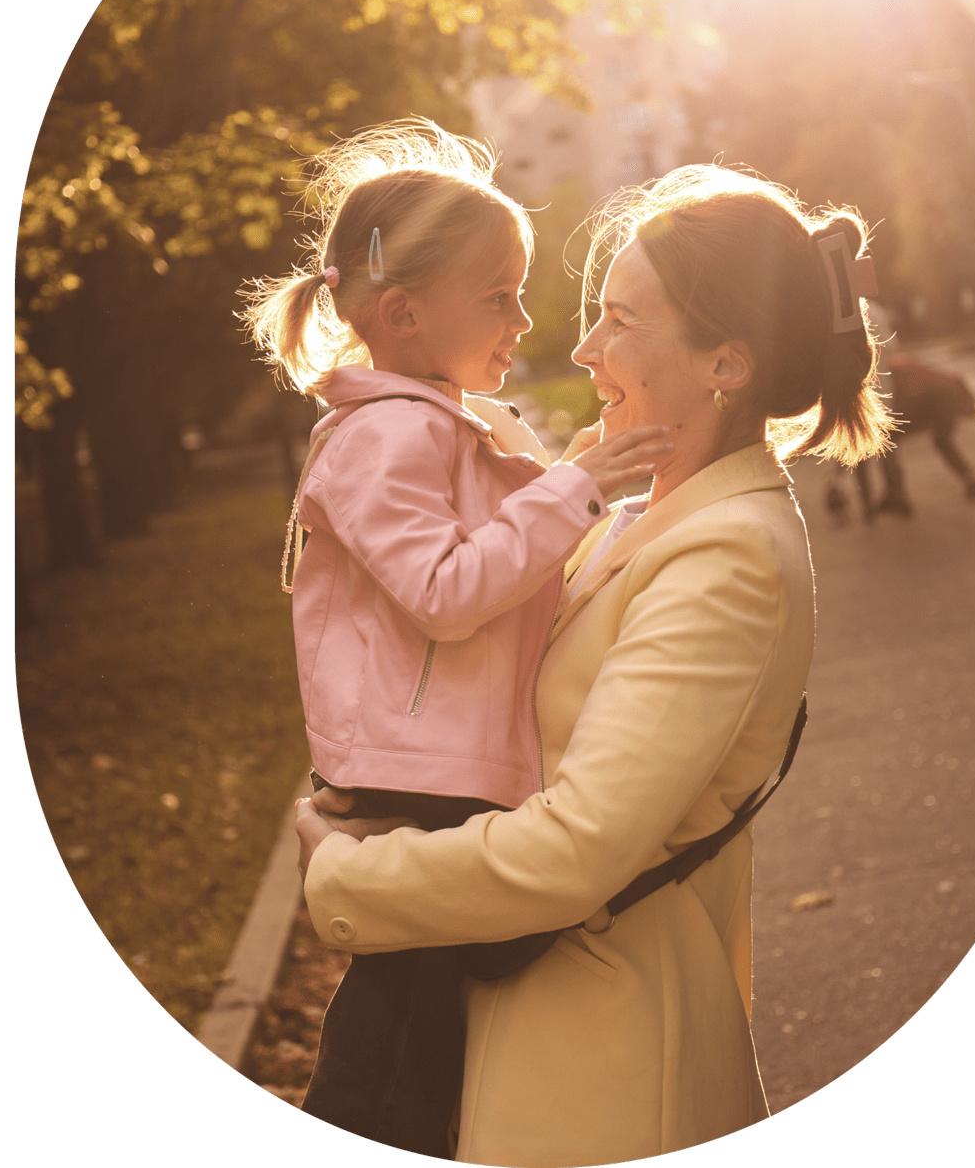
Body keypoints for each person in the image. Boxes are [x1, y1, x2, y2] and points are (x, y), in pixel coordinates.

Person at [295, 163, 892, 1167]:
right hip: (533, 1031)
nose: (580, 346)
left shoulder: (728, 554)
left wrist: (346, 874)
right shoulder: (638, 515)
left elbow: (575, 850)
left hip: (607, 1072)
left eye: (617, 320)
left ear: (725, 365)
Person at [240, 118, 672, 1155]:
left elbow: (511, 571)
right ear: (401, 310)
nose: (524, 318)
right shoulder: (384, 436)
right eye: (500, 296)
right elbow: (443, 590)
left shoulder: (437, 421)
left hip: (447, 769)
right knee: (395, 1058)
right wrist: (573, 486)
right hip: (413, 778)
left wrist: (569, 479)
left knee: (434, 1031)